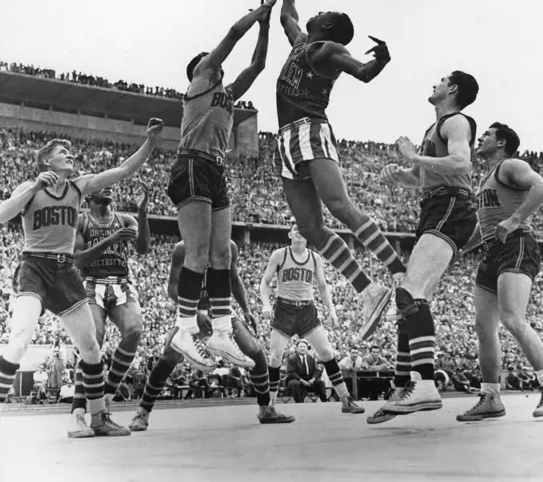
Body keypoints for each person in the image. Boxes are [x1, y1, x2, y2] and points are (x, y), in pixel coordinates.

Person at [0, 118, 163, 437]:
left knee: (90, 347)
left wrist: (151, 142)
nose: (70, 155)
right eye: (64, 151)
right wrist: (33, 187)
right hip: (34, 267)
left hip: (66, 272)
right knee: (19, 341)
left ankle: (98, 418)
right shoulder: (29, 189)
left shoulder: (78, 186)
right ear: (47, 160)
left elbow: (123, 171)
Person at [274, 0, 405, 339]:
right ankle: (369, 290)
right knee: (311, 229)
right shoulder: (302, 43)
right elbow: (288, 18)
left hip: (309, 130)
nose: (316, 13)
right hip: (286, 140)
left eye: (323, 14)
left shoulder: (328, 49)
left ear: (328, 26)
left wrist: (381, 60)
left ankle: (398, 270)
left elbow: (362, 72)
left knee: (339, 205)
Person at [167, 0, 283, 369]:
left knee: (222, 254)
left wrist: (265, 26)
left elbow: (259, 64)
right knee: (198, 254)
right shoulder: (200, 83)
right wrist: (258, 12)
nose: (216, 64)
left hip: (215, 169)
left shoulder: (228, 95)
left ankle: (220, 332)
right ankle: (184, 330)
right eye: (209, 61)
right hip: (192, 164)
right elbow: (233, 34)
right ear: (200, 70)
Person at [373, 71, 479, 421]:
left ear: (454, 90)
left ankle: (426, 385)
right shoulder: (432, 130)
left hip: (451, 205)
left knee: (409, 293)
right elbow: (422, 180)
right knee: (411, 300)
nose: (436, 81)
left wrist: (412, 157)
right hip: (437, 204)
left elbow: (461, 163)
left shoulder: (456, 121)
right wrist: (398, 173)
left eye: (443, 79)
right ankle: (404, 385)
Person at [129, 239, 294, 429]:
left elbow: (234, 280)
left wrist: (246, 309)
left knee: (254, 351)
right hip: (192, 310)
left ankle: (266, 408)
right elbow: (173, 287)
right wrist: (195, 312)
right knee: (169, 357)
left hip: (220, 310)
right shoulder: (182, 248)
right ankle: (142, 412)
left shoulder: (228, 246)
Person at [456, 123, 543, 422]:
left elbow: (541, 185)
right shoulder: (486, 179)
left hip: (517, 244)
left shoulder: (512, 165)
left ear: (502, 142)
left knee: (511, 318)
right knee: (483, 328)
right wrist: (461, 249)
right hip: (492, 250)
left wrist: (517, 218)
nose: (480, 138)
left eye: (487, 135)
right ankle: (491, 396)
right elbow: (486, 224)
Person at [67, 181, 150, 438]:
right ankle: (80, 415)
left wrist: (143, 213)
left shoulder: (124, 219)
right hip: (92, 284)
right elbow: (79, 260)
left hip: (121, 283)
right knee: (93, 341)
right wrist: (111, 240)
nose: (110, 188)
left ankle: (106, 397)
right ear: (89, 196)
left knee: (135, 330)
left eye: (111, 186)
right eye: (103, 185)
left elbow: (143, 248)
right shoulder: (80, 221)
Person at [260, 218, 365, 414]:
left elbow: (323, 286)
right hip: (285, 309)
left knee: (326, 352)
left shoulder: (314, 258)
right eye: (294, 229)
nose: (298, 231)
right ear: (289, 234)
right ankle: (269, 406)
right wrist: (266, 304)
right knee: (274, 358)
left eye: (302, 229)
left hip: (307, 310)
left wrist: (331, 310)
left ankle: (345, 399)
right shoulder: (280, 255)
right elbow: (264, 283)